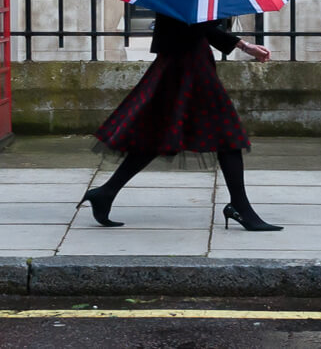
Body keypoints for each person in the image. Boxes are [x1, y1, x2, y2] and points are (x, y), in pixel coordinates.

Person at [80, 13, 282, 232]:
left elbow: (198, 26)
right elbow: (194, 26)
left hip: (185, 63)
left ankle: (106, 193)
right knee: (227, 134)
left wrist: (241, 45)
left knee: (160, 133)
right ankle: (240, 207)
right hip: (187, 66)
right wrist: (243, 45)